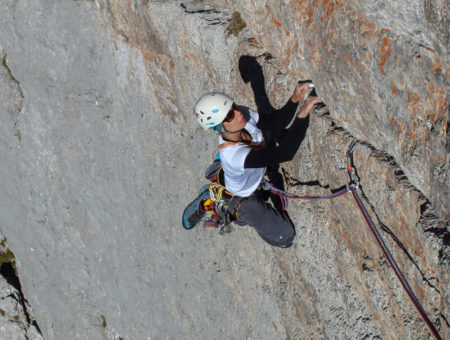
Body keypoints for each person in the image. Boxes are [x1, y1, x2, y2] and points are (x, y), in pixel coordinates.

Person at [193, 83, 322, 247]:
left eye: (233, 107)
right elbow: (285, 154)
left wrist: (295, 98)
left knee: (267, 137)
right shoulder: (235, 156)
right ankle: (226, 207)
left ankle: (217, 180)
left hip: (245, 172)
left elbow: (274, 123)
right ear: (220, 127)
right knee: (285, 237)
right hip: (242, 197)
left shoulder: (242, 116)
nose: (238, 112)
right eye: (230, 115)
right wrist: (302, 115)